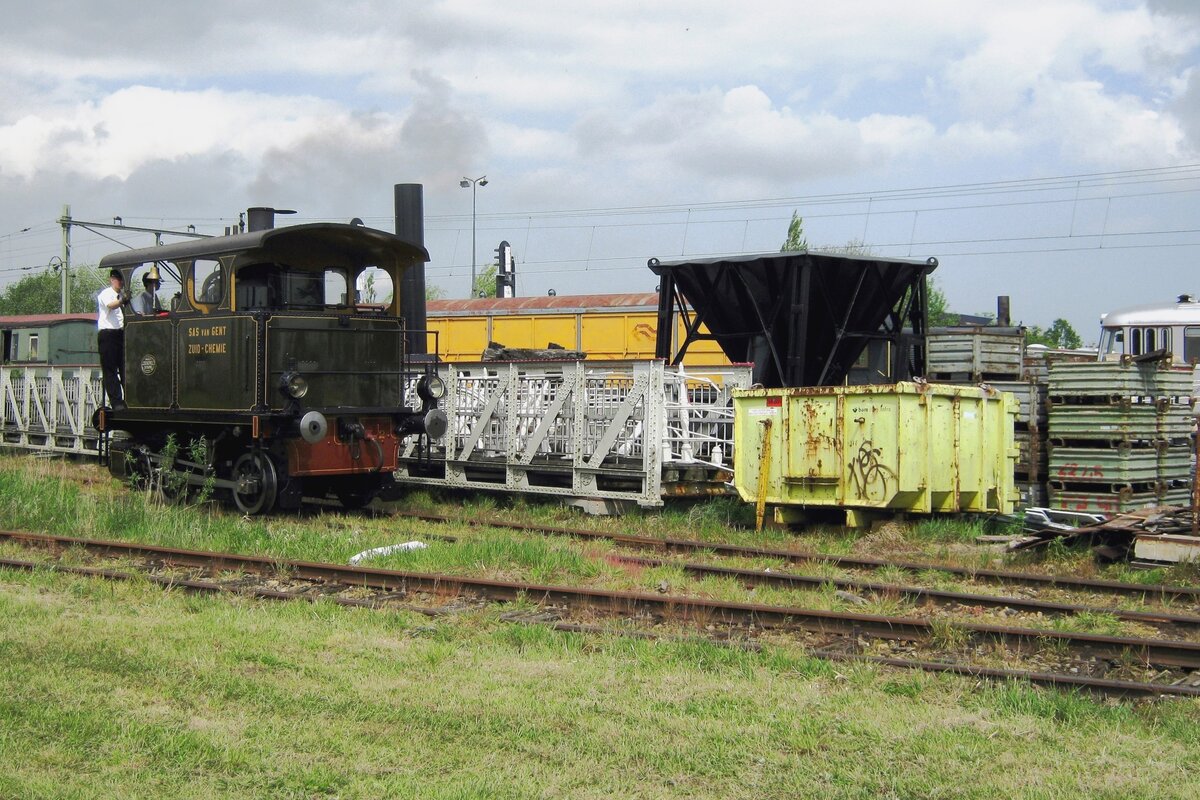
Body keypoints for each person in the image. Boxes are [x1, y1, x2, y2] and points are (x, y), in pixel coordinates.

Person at [97, 268, 129, 409]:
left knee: (124, 367)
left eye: (121, 279)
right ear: (112, 279)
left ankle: (129, 399)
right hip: (108, 334)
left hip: (120, 334)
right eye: (118, 279)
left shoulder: (120, 295)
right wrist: (123, 300)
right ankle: (116, 402)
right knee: (110, 370)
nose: (120, 282)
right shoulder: (106, 294)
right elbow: (111, 305)